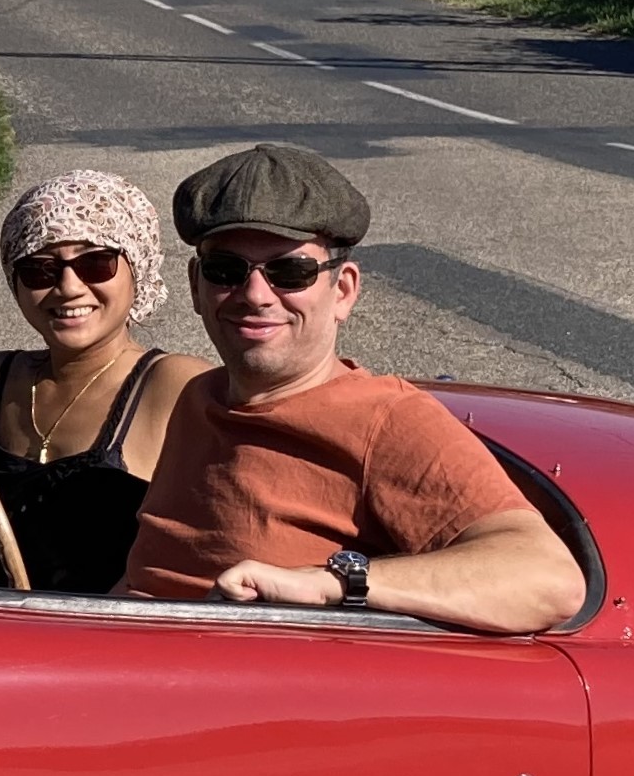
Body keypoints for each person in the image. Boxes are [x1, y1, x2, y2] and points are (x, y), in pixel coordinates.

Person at [118, 143, 585, 634]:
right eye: (226, 271)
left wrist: (332, 583)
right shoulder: (200, 398)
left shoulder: (385, 421)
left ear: (342, 291)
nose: (255, 295)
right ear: (196, 286)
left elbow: (549, 580)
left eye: (290, 272)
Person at [0, 172, 213, 595]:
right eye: (39, 270)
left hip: (107, 630)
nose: (68, 287)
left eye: (95, 264)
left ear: (137, 269)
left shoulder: (174, 386)